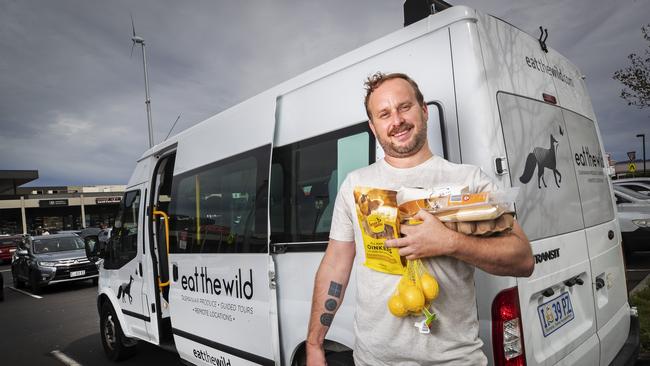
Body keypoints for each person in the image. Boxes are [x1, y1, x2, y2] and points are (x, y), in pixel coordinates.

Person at [306, 72, 534, 365]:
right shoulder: (355, 185)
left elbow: (523, 259)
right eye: (384, 114)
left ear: (424, 110)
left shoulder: (469, 180)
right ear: (374, 127)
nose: (397, 120)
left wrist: (450, 242)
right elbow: (335, 264)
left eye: (404, 107)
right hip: (374, 360)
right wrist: (314, 342)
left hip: (454, 360)